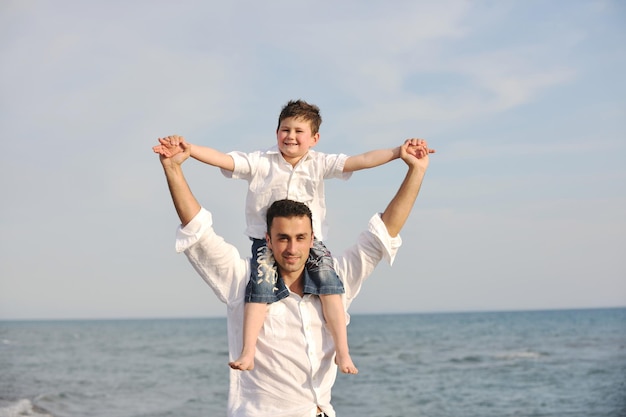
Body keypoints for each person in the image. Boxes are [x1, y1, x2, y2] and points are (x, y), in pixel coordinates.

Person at [157, 136, 432, 417]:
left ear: (312, 239)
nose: (292, 248)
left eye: (300, 238)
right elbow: (199, 232)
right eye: (283, 238)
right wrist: (173, 169)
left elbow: (383, 233)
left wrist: (416, 170)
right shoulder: (241, 281)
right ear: (268, 239)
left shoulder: (336, 282)